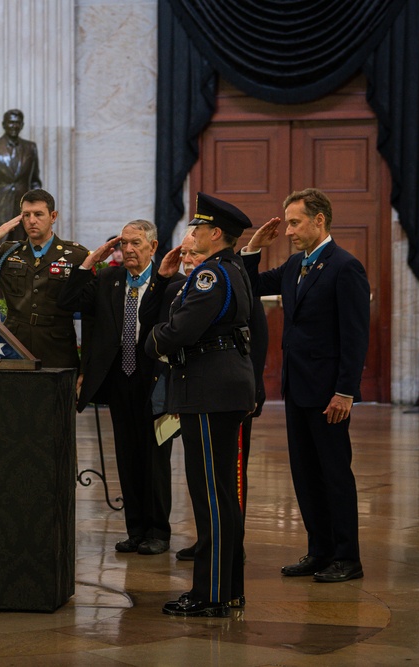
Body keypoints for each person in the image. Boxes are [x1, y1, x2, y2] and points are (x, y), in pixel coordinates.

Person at [240, 187, 370, 583]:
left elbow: (355, 335)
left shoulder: (345, 267)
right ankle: (320, 551)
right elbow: (252, 286)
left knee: (334, 474)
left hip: (329, 393)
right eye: (289, 222)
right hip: (297, 389)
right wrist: (252, 249)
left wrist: (345, 391)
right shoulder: (298, 263)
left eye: (296, 222)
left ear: (319, 220)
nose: (290, 230)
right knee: (305, 474)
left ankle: (347, 557)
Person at [146, 192, 255, 617]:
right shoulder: (233, 267)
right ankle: (227, 590)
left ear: (214, 233)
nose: (191, 234)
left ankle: (210, 594)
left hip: (208, 389)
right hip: (220, 387)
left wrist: (152, 340)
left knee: (211, 494)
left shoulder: (211, 274)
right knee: (223, 494)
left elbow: (180, 330)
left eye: (197, 228)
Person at [58, 220, 177, 555]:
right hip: (120, 380)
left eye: (136, 243)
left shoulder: (167, 282)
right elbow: (67, 301)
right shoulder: (108, 279)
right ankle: (136, 530)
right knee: (127, 457)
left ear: (153, 247)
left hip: (155, 382)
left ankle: (158, 531)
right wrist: (89, 262)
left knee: (155, 458)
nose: (128, 250)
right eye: (123, 243)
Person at [172, 232, 270, 562]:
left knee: (227, 478)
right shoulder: (187, 289)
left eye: (191, 253)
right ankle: (211, 542)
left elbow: (254, 337)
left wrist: (254, 388)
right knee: (207, 480)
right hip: (199, 389)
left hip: (228, 393)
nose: (187, 260)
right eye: (183, 255)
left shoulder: (226, 281)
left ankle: (229, 547)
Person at [0, 189, 87, 368]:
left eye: (38, 214)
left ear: (53, 216)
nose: (31, 221)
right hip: (14, 346)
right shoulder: (8, 252)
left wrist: (85, 368)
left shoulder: (75, 255)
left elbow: (90, 311)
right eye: (26, 215)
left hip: (57, 348)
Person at [0, 109, 41, 241]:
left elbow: (35, 181)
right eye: (11, 122)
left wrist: (37, 208)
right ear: (4, 124)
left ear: (22, 125)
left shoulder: (30, 148)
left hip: (24, 209)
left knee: (22, 248)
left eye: (17, 123)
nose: (14, 126)